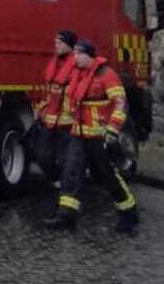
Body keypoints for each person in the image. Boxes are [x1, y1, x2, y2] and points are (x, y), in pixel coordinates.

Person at [47, 38, 139, 231]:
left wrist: (113, 128)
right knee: (70, 173)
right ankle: (66, 216)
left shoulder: (107, 75)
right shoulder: (77, 74)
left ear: (89, 56)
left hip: (100, 136)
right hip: (78, 134)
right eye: (75, 54)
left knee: (107, 176)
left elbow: (120, 103)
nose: (76, 57)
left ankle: (128, 213)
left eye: (79, 54)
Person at [34, 29, 77, 182]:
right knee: (42, 155)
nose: (56, 45)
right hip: (50, 121)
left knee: (66, 159)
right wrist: (40, 110)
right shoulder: (54, 64)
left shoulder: (78, 66)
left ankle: (67, 188)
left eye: (60, 42)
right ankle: (57, 180)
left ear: (69, 45)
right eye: (55, 42)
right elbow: (47, 91)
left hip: (69, 123)